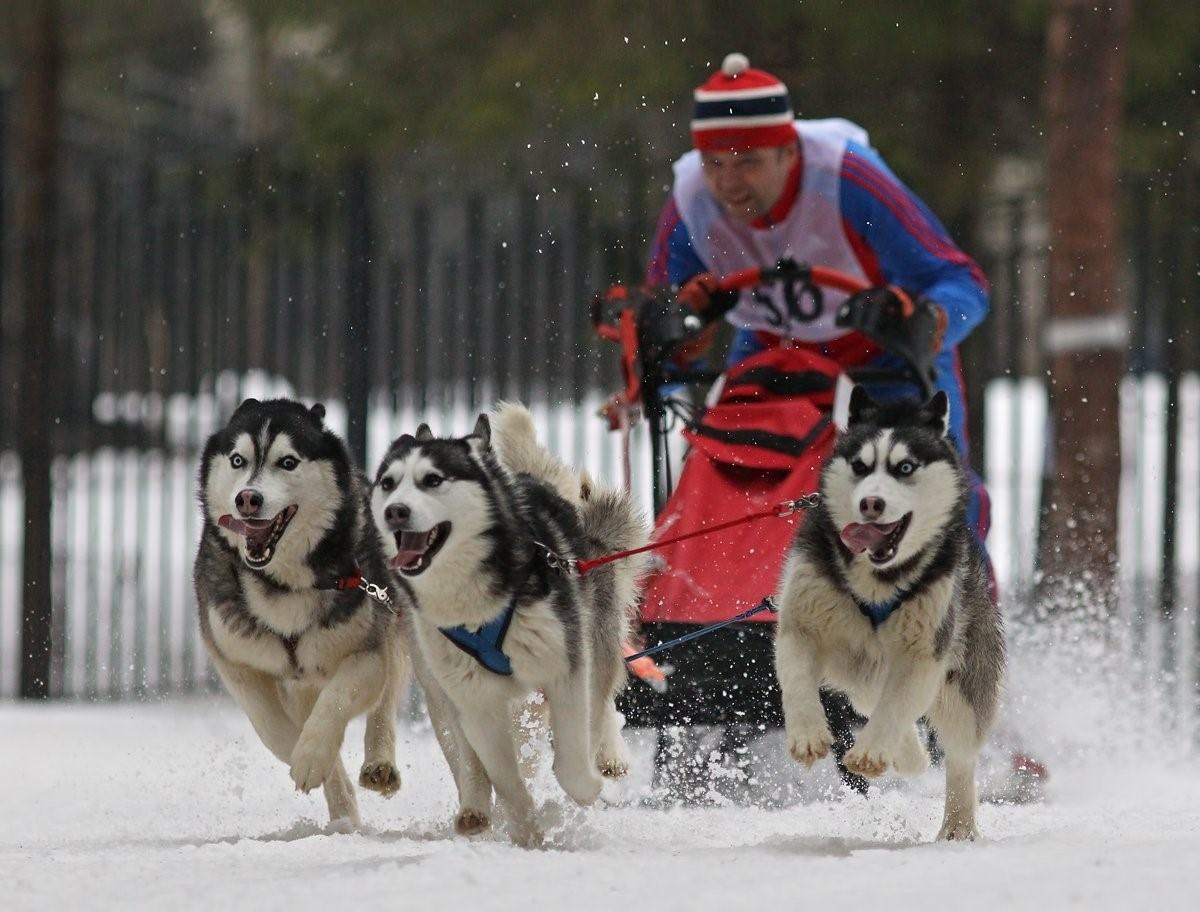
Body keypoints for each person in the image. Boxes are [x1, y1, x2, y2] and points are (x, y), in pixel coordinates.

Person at [645, 52, 990, 536]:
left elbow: (962, 282)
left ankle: (967, 606)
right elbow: (658, 319)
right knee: (734, 498)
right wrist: (673, 337)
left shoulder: (848, 179)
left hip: (882, 357)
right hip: (773, 350)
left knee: (940, 503)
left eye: (748, 162)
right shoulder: (690, 204)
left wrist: (928, 321)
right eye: (714, 163)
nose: (727, 183)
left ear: (790, 153)